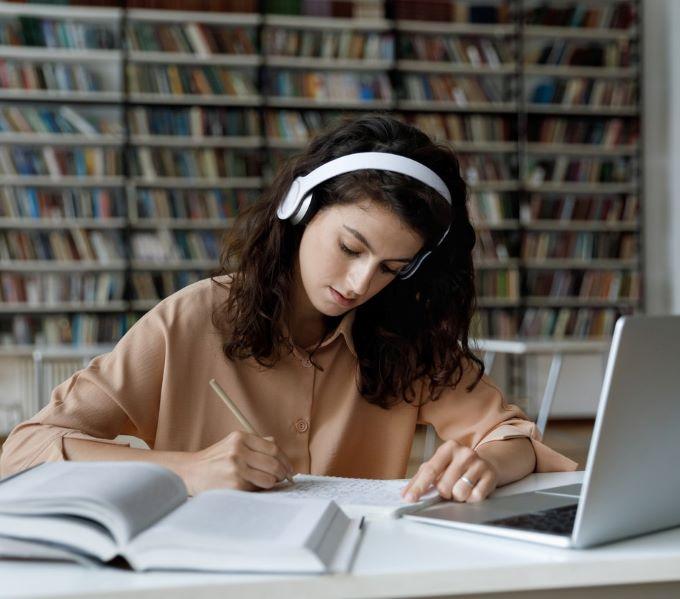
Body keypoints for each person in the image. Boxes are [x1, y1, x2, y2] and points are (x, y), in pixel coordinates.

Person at [0, 115, 576, 503]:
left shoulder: (405, 333)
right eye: (350, 248)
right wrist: (186, 468)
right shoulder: (191, 319)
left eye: (391, 268)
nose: (360, 283)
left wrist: (490, 463)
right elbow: (24, 451)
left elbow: (512, 437)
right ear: (299, 210)